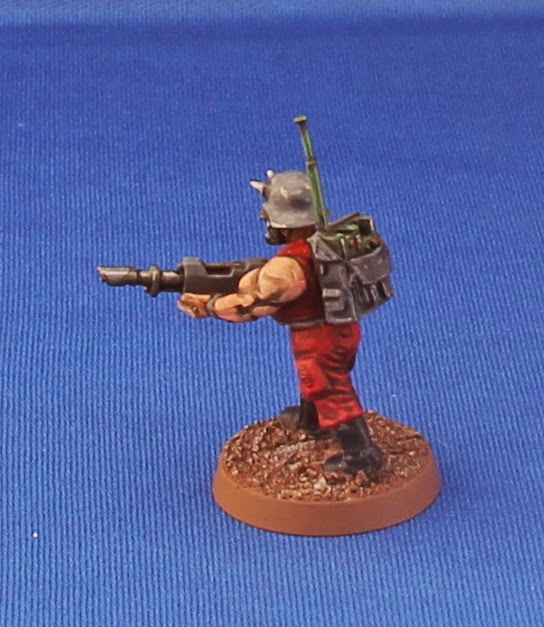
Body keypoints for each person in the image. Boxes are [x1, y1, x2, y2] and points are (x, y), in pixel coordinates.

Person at [178, 170, 384, 476]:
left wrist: (210, 306)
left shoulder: (286, 268)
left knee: (327, 387)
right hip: (341, 327)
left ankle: (361, 454)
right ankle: (311, 420)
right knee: (317, 381)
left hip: (320, 336)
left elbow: (251, 307)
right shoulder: (326, 246)